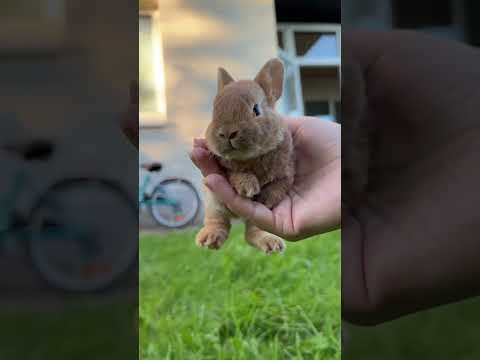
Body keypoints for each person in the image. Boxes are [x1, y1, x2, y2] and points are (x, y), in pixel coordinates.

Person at [190, 30, 480, 326]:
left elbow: (284, 177)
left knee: (267, 199)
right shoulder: (223, 143)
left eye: (253, 111)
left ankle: (256, 231)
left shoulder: (283, 139)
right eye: (219, 118)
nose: (227, 131)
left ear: (271, 95)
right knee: (215, 189)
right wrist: (238, 176)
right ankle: (217, 224)